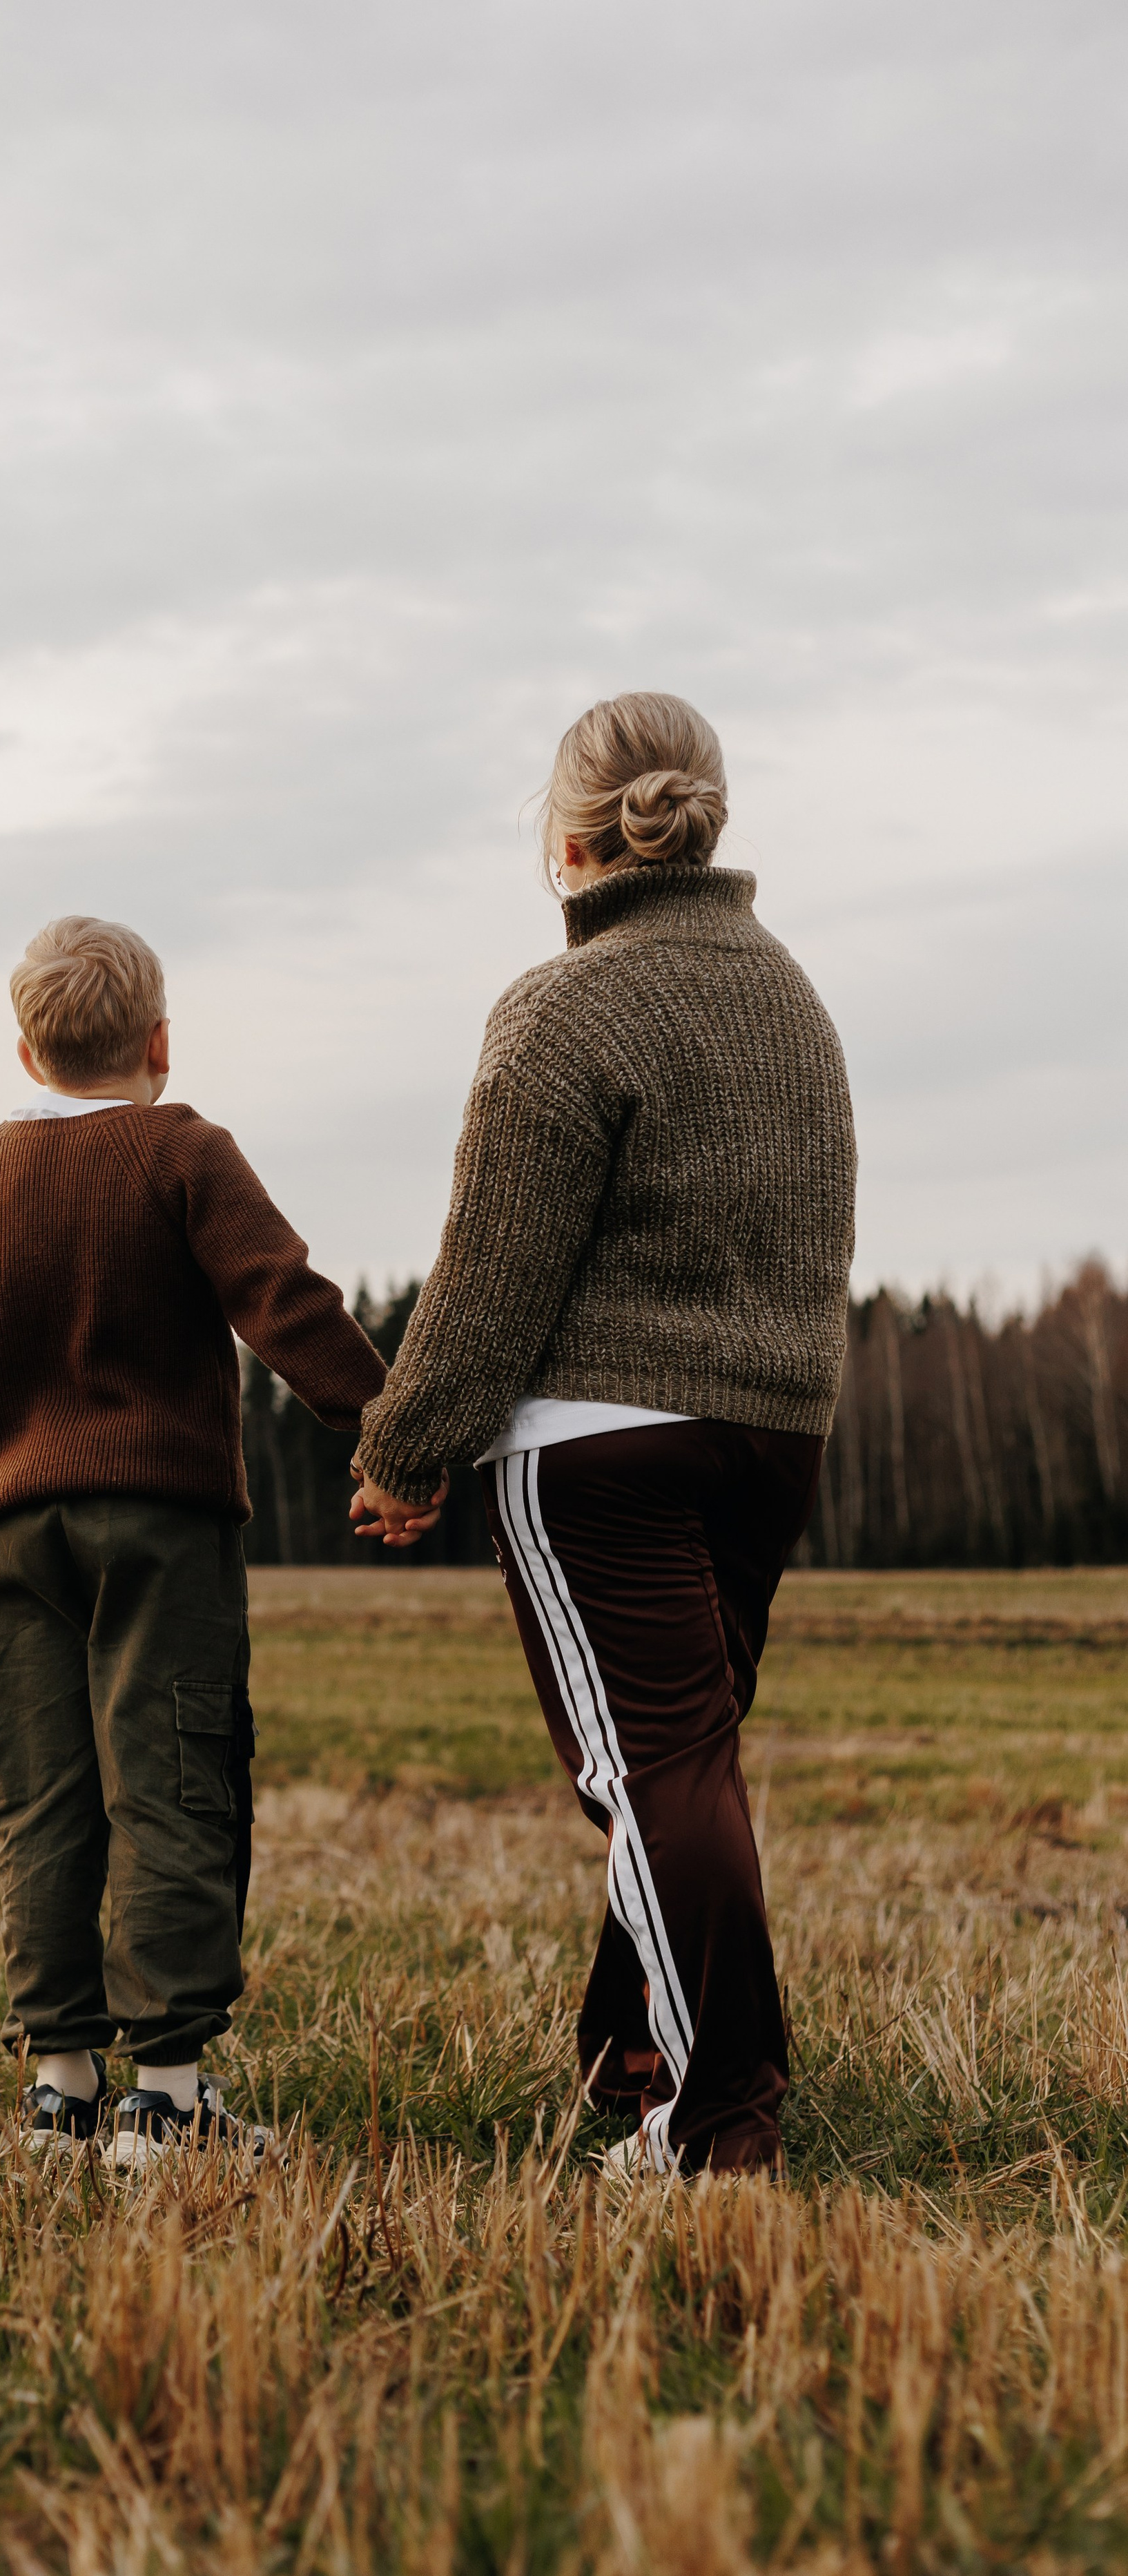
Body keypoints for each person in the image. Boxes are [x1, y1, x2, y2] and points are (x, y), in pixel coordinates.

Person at [349, 693, 855, 2177]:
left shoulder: (564, 1006)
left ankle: (716, 2126)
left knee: (650, 1779)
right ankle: (635, 2056)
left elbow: (492, 1268)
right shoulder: (790, 999)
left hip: (597, 1450)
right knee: (679, 1767)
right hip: (772, 1433)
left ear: (565, 840)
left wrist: (402, 1444)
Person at [0, 914, 385, 2168]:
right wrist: (390, 1431)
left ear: (27, 1054)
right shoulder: (184, 1150)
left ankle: (62, 2091)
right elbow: (282, 1301)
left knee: (37, 1792)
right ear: (162, 1043)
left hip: (15, 1527)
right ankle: (169, 2101)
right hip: (165, 1524)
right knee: (174, 1780)